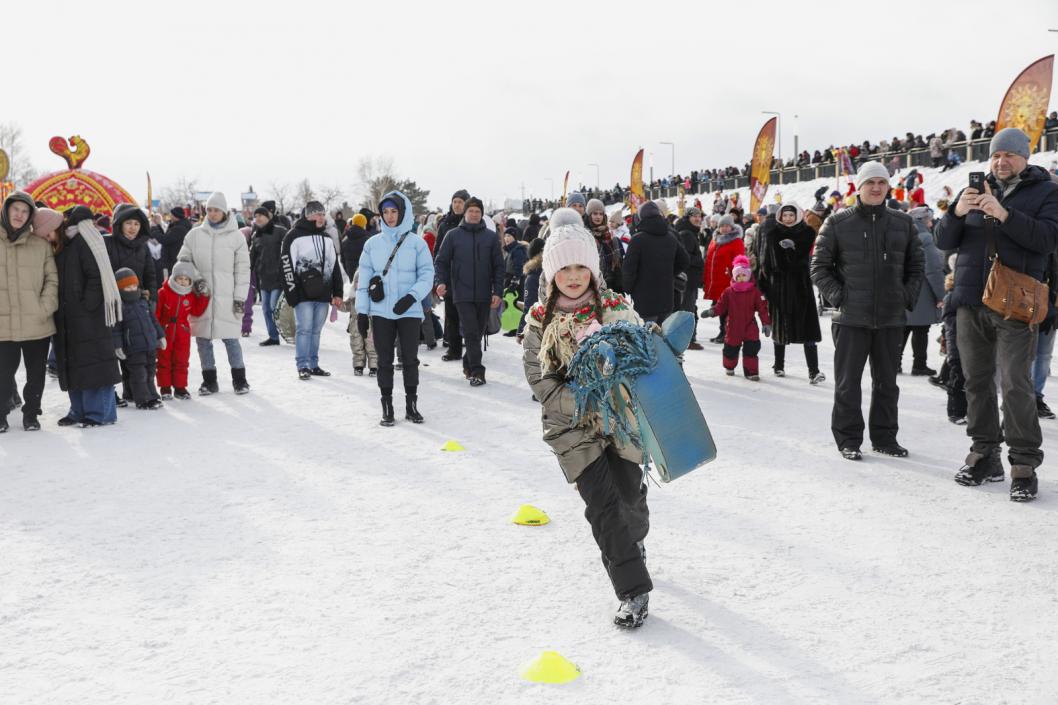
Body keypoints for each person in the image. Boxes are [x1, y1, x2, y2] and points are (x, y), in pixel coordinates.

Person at [521, 219, 651, 628]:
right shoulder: (539, 321)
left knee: (628, 498)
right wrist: (578, 398)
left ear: (593, 271)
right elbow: (538, 375)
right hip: (571, 424)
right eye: (564, 269)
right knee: (603, 507)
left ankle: (635, 540)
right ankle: (633, 590)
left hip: (620, 418)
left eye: (581, 269)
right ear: (551, 274)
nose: (573, 277)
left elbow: (642, 358)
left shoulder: (616, 309)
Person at [935, 128, 1058, 501]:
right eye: (995, 156)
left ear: (1025, 158)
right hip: (971, 300)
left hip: (1015, 302)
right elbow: (943, 240)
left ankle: (1023, 463)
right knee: (976, 381)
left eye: (1009, 155)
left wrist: (1004, 214)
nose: (1001, 162)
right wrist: (957, 213)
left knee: (1016, 385)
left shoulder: (1047, 191)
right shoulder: (973, 190)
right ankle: (984, 453)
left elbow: (1047, 240)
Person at [810, 161, 924, 461]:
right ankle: (848, 438)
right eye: (870, 182)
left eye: (881, 183)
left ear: (888, 187)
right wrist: (841, 297)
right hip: (851, 319)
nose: (876, 188)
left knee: (887, 383)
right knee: (848, 384)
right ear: (858, 187)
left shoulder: (903, 223)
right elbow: (819, 268)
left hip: (890, 317)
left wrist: (905, 297)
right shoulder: (837, 223)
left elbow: (916, 266)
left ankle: (885, 437)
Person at [356, 191, 434, 425]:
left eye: (394, 211)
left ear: (403, 212)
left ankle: (412, 405)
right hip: (381, 311)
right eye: (386, 212)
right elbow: (363, 281)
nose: (389, 217)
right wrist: (362, 311)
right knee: (384, 360)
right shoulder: (372, 244)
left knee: (410, 359)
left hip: (408, 311)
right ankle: (387, 406)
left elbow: (427, 274)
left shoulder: (417, 243)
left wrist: (411, 298)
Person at [54, 206, 123, 427]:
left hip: (88, 316)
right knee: (76, 363)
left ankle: (99, 413)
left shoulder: (84, 242)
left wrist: (86, 306)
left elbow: (95, 277)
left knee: (95, 364)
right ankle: (79, 410)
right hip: (71, 316)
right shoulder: (69, 244)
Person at [177, 192, 252, 395]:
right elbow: (183, 260)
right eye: (209, 210)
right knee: (203, 340)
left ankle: (240, 379)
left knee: (231, 339)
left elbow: (243, 270)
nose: (212, 213)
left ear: (224, 211)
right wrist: (197, 280)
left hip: (228, 297)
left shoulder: (236, 238)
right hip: (201, 297)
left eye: (216, 210)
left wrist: (239, 297)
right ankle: (209, 381)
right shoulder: (194, 235)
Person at [0, 193, 59, 432]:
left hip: (37, 322)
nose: (19, 215)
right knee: (3, 373)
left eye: (25, 211)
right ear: (6, 211)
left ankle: (31, 414)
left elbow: (51, 279)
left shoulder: (40, 245)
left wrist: (44, 308)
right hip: (3, 323)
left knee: (36, 373)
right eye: (15, 209)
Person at [433, 196, 504, 386]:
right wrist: (441, 281)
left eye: (477, 211)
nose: (474, 214)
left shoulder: (490, 237)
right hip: (461, 293)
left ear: (482, 214)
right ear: (465, 213)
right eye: (471, 211)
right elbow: (441, 261)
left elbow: (498, 266)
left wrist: (498, 291)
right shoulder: (453, 235)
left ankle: (468, 362)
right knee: (471, 332)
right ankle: (477, 371)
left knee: (478, 333)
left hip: (483, 294)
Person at [755, 204, 824, 382]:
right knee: (781, 329)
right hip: (779, 288)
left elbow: (801, 261)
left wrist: (793, 248)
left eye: (791, 215)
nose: (788, 218)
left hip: (801, 288)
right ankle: (779, 365)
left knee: (807, 330)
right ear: (780, 216)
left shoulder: (806, 233)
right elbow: (768, 263)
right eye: (785, 215)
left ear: (797, 216)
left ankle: (814, 371)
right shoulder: (772, 234)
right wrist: (763, 285)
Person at [280, 200, 343, 380]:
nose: (321, 217)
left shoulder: (327, 238)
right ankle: (303, 365)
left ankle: (314, 364)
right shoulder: (293, 236)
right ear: (308, 215)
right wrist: (292, 294)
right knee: (304, 329)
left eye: (323, 214)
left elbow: (334, 267)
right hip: (302, 295)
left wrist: (337, 293)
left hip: (323, 294)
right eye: (317, 214)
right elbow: (286, 266)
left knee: (316, 330)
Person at [621, 201, 689, 324]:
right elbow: (684, 260)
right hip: (667, 299)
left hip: (644, 300)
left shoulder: (637, 239)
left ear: (641, 217)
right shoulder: (670, 237)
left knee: (646, 338)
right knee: (662, 338)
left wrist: (629, 288)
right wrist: (670, 273)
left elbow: (628, 269)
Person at [111, 268, 166, 409]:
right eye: (127, 287)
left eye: (133, 285)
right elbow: (116, 329)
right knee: (139, 374)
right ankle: (143, 399)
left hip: (149, 344)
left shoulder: (143, 301)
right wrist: (118, 346)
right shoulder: (120, 306)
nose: (132, 289)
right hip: (134, 347)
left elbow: (153, 321)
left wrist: (160, 336)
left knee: (150, 371)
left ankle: (152, 396)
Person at [899, 207, 945, 375]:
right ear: (922, 220)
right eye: (929, 220)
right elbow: (932, 269)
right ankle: (919, 365)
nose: (931, 223)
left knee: (903, 327)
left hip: (903, 288)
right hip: (922, 291)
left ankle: (894, 362)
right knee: (920, 329)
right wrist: (941, 295)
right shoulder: (925, 238)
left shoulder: (902, 234)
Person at [156, 261, 210, 400]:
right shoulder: (163, 292)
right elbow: (156, 313)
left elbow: (197, 311)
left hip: (182, 332)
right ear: (174, 277)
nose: (183, 282)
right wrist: (158, 331)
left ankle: (180, 388)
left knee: (181, 360)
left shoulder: (190, 295)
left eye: (186, 279)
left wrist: (204, 296)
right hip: (166, 330)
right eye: (180, 278)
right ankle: (165, 387)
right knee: (164, 359)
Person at [434, 190, 469, 360]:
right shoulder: (445, 224)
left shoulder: (472, 223)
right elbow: (438, 253)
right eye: (455, 201)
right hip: (450, 277)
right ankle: (454, 349)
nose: (457, 205)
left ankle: (472, 353)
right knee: (452, 315)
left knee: (469, 316)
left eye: (461, 202)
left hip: (469, 277)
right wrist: (439, 278)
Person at [702, 214, 745, 343]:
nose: (724, 229)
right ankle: (723, 331)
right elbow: (709, 260)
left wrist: (737, 278)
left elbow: (740, 262)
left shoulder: (736, 241)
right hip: (715, 281)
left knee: (728, 309)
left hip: (728, 281)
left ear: (731, 227)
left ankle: (729, 333)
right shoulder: (714, 240)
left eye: (727, 226)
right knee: (720, 308)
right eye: (722, 226)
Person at [248, 206, 287, 346]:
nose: (258, 218)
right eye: (256, 216)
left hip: (278, 277)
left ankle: (286, 332)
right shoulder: (255, 235)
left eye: (261, 215)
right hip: (263, 278)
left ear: (268, 217)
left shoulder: (280, 231)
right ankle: (273, 337)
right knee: (265, 308)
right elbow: (252, 257)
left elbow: (289, 251)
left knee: (272, 307)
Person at [674, 206, 706, 349]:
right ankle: (687, 340)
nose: (698, 219)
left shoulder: (690, 232)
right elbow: (685, 257)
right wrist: (700, 261)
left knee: (689, 308)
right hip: (687, 279)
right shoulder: (687, 234)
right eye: (694, 216)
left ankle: (687, 338)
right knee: (687, 309)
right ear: (688, 218)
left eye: (699, 216)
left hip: (689, 279)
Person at [585, 198, 623, 293]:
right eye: (595, 213)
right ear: (589, 215)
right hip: (592, 287)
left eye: (601, 214)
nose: (598, 217)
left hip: (611, 287)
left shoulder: (609, 236)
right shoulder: (585, 236)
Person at [158, 206, 192, 275]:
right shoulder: (178, 226)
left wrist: (155, 231)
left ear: (176, 216)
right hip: (174, 259)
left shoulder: (179, 229)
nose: (170, 216)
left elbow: (165, 239)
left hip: (174, 259)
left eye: (171, 214)